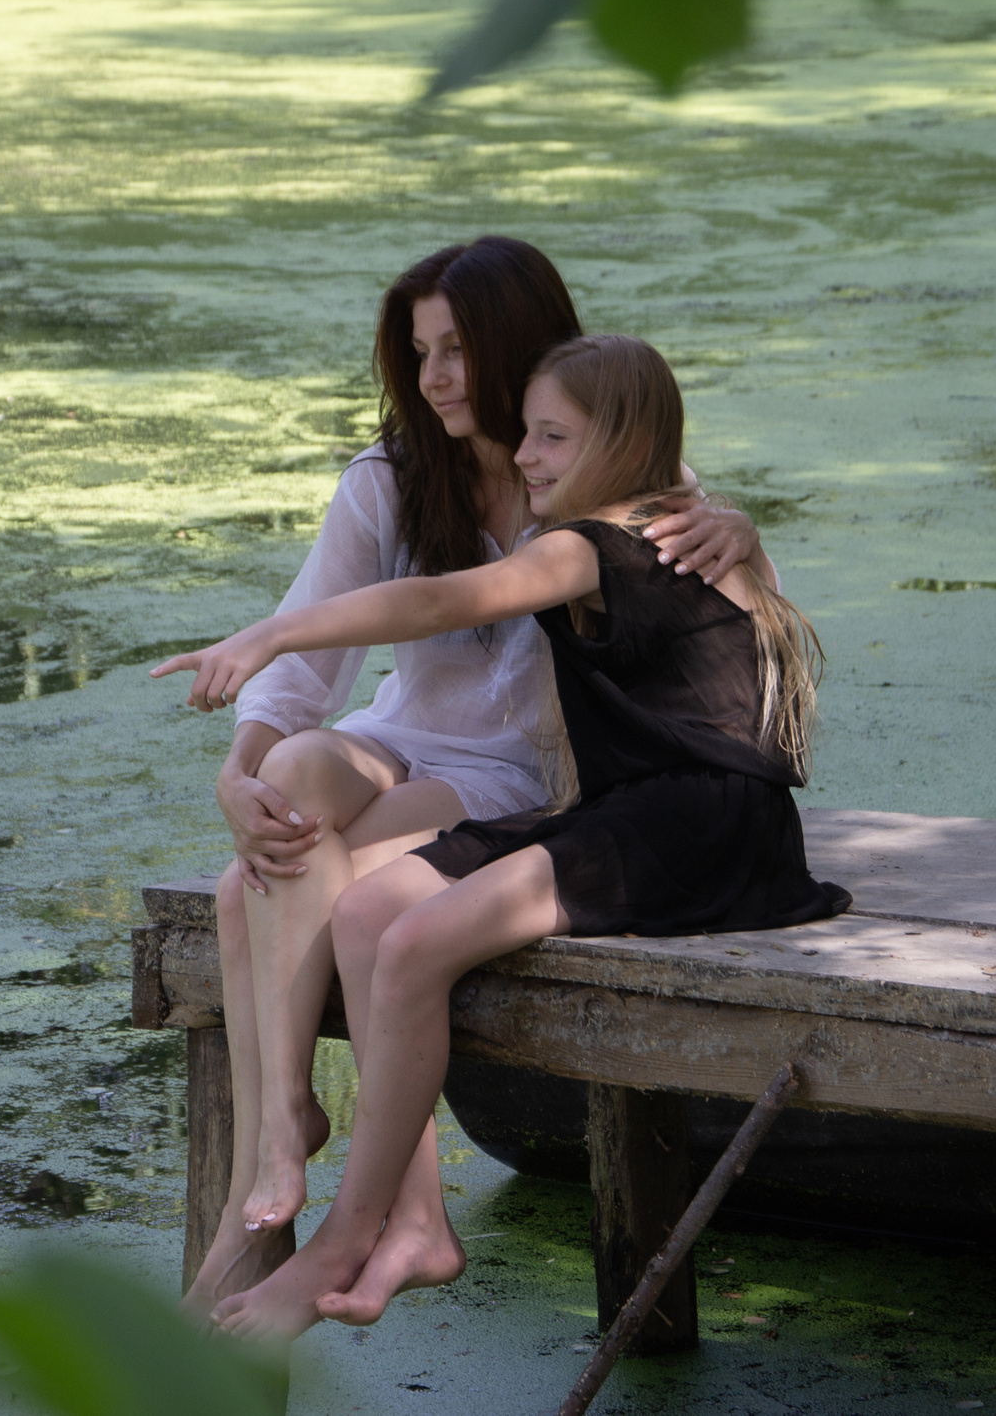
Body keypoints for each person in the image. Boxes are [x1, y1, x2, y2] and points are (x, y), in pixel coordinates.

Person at [155, 334, 849, 1343]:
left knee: (413, 941)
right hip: (630, 811)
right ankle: (416, 1226)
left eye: (551, 437)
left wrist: (273, 632)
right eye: (525, 433)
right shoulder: (667, 520)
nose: (524, 456)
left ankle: (346, 1241)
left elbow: (444, 597)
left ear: (620, 443)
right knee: (368, 906)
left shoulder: (596, 543)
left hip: (702, 828)